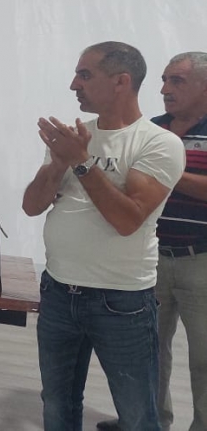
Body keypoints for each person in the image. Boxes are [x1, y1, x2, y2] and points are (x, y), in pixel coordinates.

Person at [22, 41, 185, 431]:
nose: (73, 85)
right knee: (57, 403)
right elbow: (32, 205)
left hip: (121, 300)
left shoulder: (158, 142)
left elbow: (127, 220)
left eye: (85, 75)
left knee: (136, 414)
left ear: (121, 81)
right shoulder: (74, 137)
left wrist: (80, 161)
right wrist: (57, 163)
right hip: (59, 290)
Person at [98, 51, 207, 431]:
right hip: (149, 258)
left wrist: (165, 170)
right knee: (147, 351)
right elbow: (127, 184)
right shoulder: (152, 131)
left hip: (201, 261)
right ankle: (147, 421)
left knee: (205, 357)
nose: (164, 89)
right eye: (163, 80)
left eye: (177, 80)